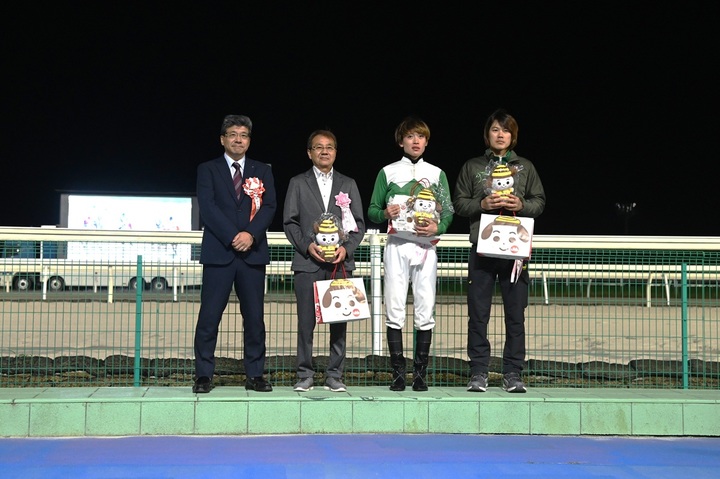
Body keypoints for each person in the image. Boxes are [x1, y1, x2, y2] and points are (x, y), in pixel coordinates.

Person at [453, 109, 546, 393]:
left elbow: (539, 202)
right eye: (495, 129)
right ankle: (478, 372)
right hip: (482, 249)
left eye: (505, 130)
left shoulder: (526, 167)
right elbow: (459, 203)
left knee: (515, 315)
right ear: (487, 135)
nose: (500, 134)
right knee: (478, 314)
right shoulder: (473, 166)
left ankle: (513, 373)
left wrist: (522, 205)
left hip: (515, 250)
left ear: (513, 136)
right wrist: (482, 205)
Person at [367, 117, 454, 392]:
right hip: (397, 245)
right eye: (410, 136)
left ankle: (420, 375)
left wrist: (438, 227)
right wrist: (385, 213)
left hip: (426, 247)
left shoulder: (437, 173)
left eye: (421, 137)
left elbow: (448, 212)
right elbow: (372, 210)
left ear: (426, 141)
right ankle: (398, 374)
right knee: (394, 307)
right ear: (401, 141)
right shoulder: (388, 172)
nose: (415, 141)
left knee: (425, 308)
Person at [193, 114, 277, 393]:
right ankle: (203, 375)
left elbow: (269, 206)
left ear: (249, 140)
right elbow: (208, 207)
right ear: (222, 139)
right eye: (232, 134)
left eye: (243, 135)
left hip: (253, 254)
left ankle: (255, 374)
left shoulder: (262, 170)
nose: (238, 140)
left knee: (254, 318)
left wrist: (250, 235)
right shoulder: (208, 169)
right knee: (209, 317)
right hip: (219, 253)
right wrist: (233, 236)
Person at [283, 130, 366, 392]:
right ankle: (304, 374)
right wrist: (307, 246)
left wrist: (346, 250)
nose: (324, 151)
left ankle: (334, 375)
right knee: (305, 323)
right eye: (318, 147)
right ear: (309, 153)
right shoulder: (298, 183)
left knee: (339, 321)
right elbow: (290, 222)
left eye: (329, 147)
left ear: (336, 152)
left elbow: (358, 225)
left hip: (339, 264)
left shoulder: (348, 183)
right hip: (307, 263)